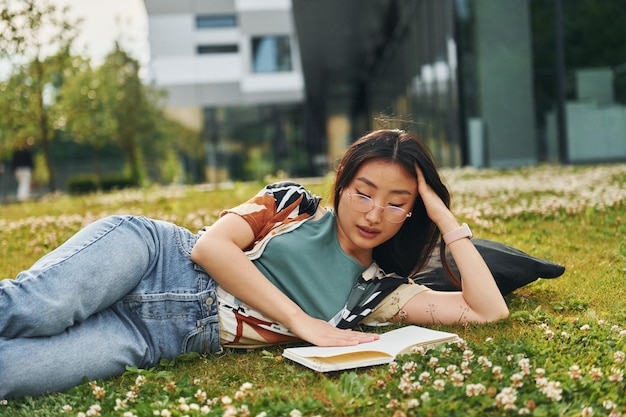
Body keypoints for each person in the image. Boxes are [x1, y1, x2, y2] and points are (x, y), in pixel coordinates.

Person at [0, 129, 508, 399]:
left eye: (397, 202)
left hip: (155, 338)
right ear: (343, 183)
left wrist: (445, 221)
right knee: (29, 310)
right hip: (150, 258)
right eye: (364, 192)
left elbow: (486, 312)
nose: (375, 213)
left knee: (12, 374)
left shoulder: (380, 291)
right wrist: (301, 322)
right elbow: (210, 249)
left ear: (412, 211)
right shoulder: (292, 204)